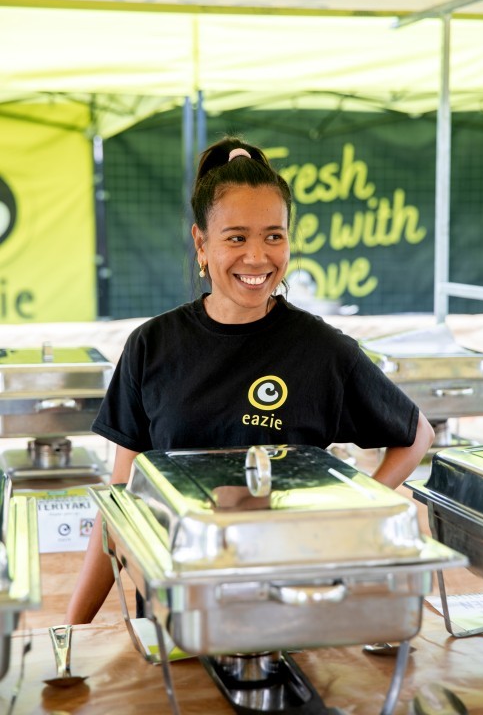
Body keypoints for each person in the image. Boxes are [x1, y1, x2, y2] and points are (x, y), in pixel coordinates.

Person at [65, 135, 434, 625]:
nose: (258, 257)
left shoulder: (321, 348)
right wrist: (73, 629)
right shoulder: (152, 346)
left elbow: (416, 435)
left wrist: (349, 514)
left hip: (292, 609)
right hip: (181, 614)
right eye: (236, 238)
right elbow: (120, 504)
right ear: (201, 243)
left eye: (273, 236)